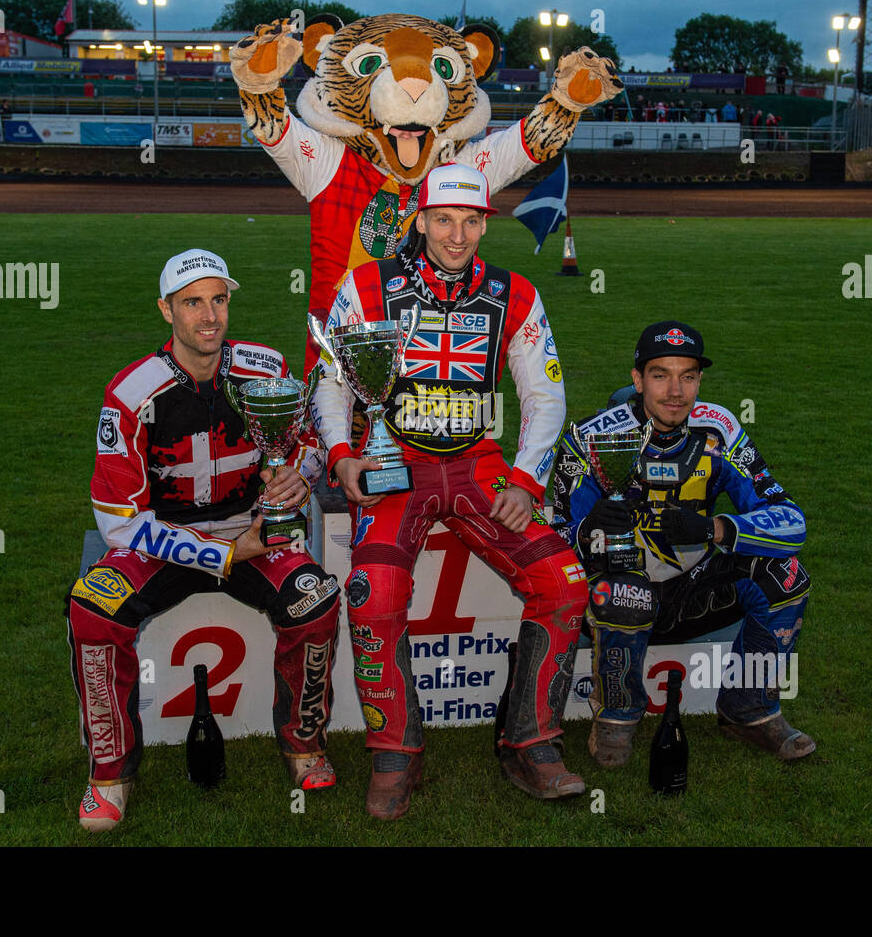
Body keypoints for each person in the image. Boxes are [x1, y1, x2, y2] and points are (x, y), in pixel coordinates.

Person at [311, 163, 589, 819]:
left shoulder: (514, 291)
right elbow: (331, 379)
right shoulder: (365, 284)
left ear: (484, 223)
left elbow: (545, 394)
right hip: (393, 466)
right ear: (420, 219)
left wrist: (526, 477)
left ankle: (530, 741)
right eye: (443, 219)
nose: (458, 236)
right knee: (373, 592)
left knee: (564, 580)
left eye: (470, 221)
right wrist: (343, 453)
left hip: (478, 464)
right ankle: (395, 752)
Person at [66, 248, 343, 832]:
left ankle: (304, 742)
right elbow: (118, 521)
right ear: (166, 310)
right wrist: (218, 553)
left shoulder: (264, 370)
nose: (209, 316)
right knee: (93, 607)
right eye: (193, 303)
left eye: (219, 300)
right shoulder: (130, 393)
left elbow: (310, 444)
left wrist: (304, 471)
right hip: (161, 540)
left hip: (252, 528)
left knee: (314, 598)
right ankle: (111, 773)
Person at [550, 320, 814, 768]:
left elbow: (792, 521)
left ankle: (749, 710)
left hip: (696, 588)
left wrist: (716, 529)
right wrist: (586, 529)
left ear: (699, 380)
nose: (676, 390)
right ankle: (617, 716)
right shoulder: (591, 436)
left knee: (787, 576)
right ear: (637, 379)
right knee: (622, 592)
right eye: (660, 375)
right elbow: (548, 533)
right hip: (619, 591)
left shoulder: (720, 429)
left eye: (687, 376)